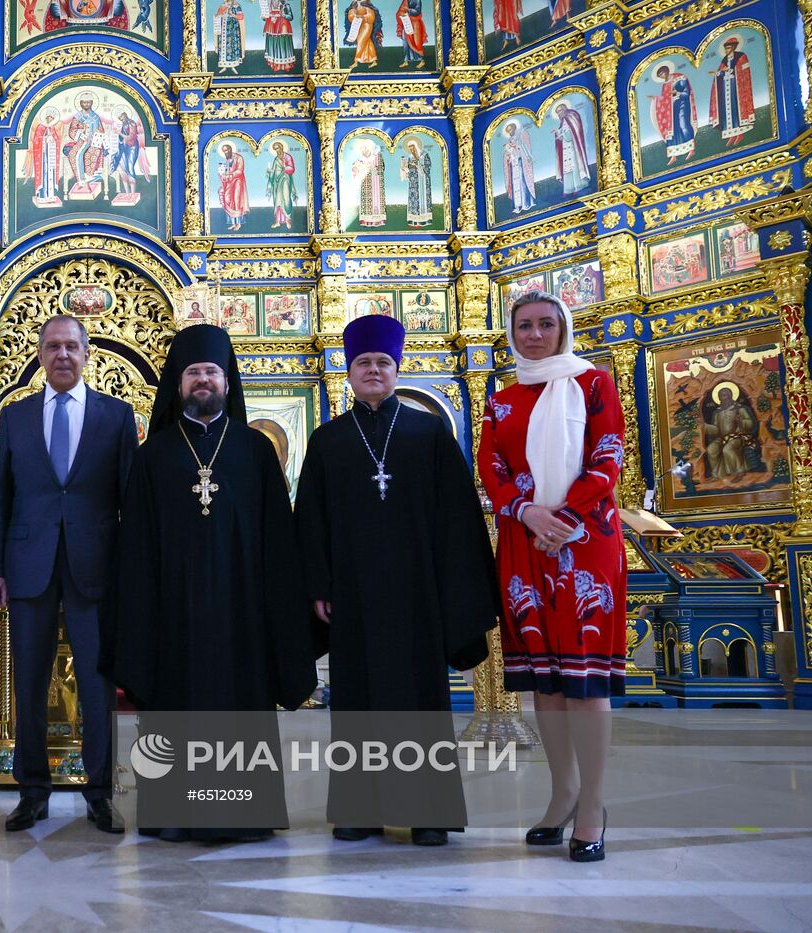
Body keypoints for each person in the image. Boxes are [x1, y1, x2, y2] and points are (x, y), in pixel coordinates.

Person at [107, 324, 317, 842]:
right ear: (178, 384)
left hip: (242, 611)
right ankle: (173, 812)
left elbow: (278, 540)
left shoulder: (256, 450)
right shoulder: (153, 455)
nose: (203, 380)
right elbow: (135, 546)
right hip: (173, 613)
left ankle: (246, 812)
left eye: (212, 372)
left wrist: (278, 609)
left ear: (227, 382)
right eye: (193, 373)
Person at [295, 315, 500, 847]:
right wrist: (319, 585)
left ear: (397, 369)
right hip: (353, 594)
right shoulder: (327, 440)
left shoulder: (428, 433)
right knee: (357, 700)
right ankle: (359, 810)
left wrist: (453, 589)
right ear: (349, 370)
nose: (373, 370)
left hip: (418, 593)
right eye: (363, 362)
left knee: (420, 700)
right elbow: (310, 520)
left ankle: (427, 812)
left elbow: (457, 519)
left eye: (383, 362)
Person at [479, 290, 626, 863]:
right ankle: (563, 791)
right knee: (547, 682)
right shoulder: (501, 401)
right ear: (511, 333)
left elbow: (608, 457)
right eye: (524, 325)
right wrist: (529, 514)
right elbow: (492, 467)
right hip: (524, 542)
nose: (535, 335)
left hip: (585, 541)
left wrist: (561, 519)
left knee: (585, 681)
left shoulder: (594, 384)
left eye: (545, 324)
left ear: (563, 328)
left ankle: (592, 805)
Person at [0, 315, 138, 835]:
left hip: (97, 565)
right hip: (28, 565)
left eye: (72, 346)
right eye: (53, 346)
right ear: (40, 355)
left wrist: (128, 571)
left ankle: (99, 793)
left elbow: (129, 500)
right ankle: (32, 793)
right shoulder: (15, 416)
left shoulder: (116, 415)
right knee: (28, 681)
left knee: (96, 682)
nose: (63, 355)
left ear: (87, 354)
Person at [709, 36, 755, 147]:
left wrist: (730, 70)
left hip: (736, 88)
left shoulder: (741, 57)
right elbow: (722, 72)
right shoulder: (724, 60)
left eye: (729, 48)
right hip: (726, 88)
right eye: (726, 48)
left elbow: (744, 72)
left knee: (735, 109)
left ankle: (739, 134)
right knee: (726, 110)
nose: (727, 50)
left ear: (733, 47)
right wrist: (717, 73)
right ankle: (731, 135)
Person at [649, 63, 697, 165]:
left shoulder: (680, 77)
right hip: (671, 109)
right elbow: (665, 99)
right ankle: (673, 155)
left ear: (667, 70)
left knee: (683, 125)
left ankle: (691, 149)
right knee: (670, 130)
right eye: (660, 75)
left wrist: (677, 93)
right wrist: (655, 99)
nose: (662, 76)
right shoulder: (665, 85)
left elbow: (686, 93)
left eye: (662, 73)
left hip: (682, 104)